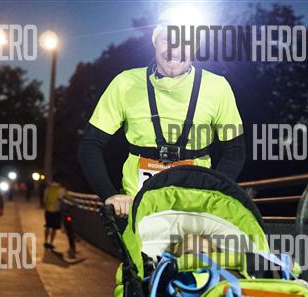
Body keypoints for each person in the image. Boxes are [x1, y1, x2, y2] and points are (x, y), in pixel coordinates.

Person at [78, 7, 246, 217]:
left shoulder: (217, 87)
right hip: (138, 209)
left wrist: (213, 194)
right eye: (167, 39)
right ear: (155, 42)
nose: (175, 50)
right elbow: (90, 144)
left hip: (194, 211)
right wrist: (109, 194)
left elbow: (235, 151)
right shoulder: (125, 83)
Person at [42, 175, 66, 249]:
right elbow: (62, 198)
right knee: (54, 228)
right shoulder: (61, 189)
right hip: (56, 211)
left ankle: (45, 241)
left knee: (48, 226)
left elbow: (44, 200)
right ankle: (51, 243)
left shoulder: (48, 189)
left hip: (48, 210)